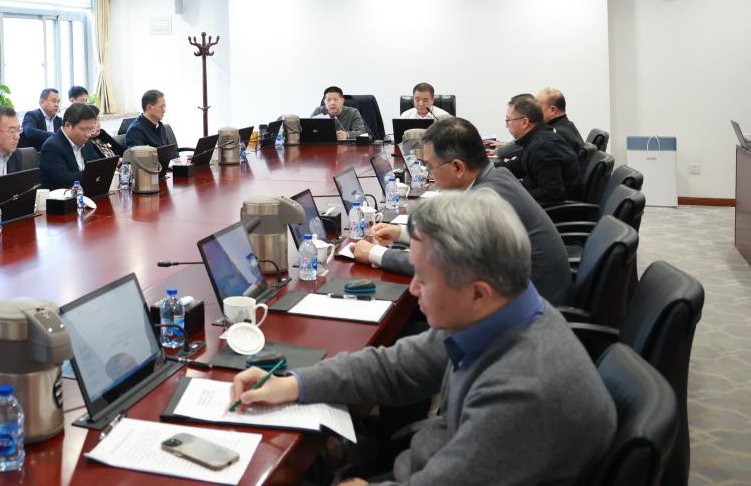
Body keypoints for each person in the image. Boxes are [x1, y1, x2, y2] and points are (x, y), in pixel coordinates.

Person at [233, 190, 615, 486]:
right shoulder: (499, 313)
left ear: (478, 292)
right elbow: (394, 367)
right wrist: (294, 384)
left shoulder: (522, 393)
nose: (413, 288)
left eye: (423, 279)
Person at [356, 117, 573, 306]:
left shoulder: (487, 202)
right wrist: (401, 233)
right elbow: (452, 240)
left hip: (528, 306)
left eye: (430, 167)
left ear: (458, 167)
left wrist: (376, 254)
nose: (430, 174)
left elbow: (444, 265)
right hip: (527, 291)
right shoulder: (496, 176)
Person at [504, 93, 581, 204]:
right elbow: (517, 166)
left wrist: (514, 196)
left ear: (524, 122)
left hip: (556, 211)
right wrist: (488, 168)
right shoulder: (535, 139)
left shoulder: (542, 147)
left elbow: (551, 193)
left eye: (508, 120)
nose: (506, 125)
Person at [39, 103, 103, 190]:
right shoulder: (52, 147)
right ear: (68, 125)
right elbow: (64, 179)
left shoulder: (86, 142)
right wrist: (92, 173)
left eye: (91, 129)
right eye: (85, 129)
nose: (88, 134)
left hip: (87, 191)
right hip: (63, 196)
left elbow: (96, 164)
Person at [537, 86, 586, 161]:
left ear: (552, 110)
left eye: (537, 108)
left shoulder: (555, 136)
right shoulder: (568, 125)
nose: (534, 112)